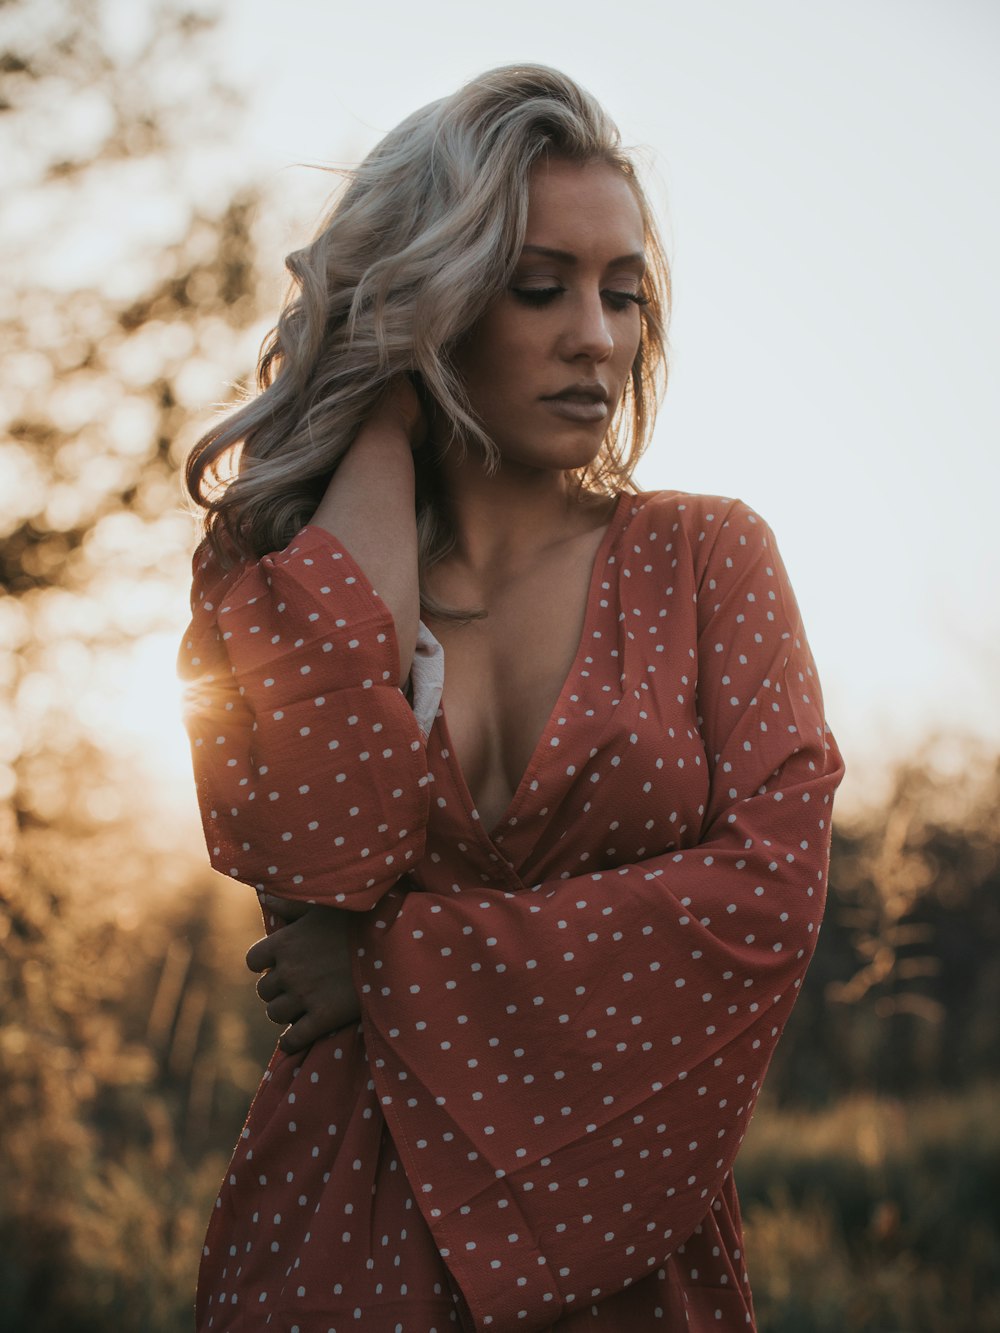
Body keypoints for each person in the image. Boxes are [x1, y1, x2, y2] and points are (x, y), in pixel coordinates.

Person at [178, 63, 844, 1332]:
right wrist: (374, 419)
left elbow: (769, 895)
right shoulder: (273, 571)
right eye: (537, 287)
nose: (594, 334)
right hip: (333, 1237)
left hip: (625, 1242)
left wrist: (387, 964)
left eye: (623, 292)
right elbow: (323, 845)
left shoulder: (711, 559)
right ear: (429, 299)